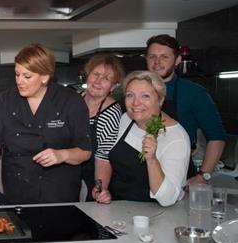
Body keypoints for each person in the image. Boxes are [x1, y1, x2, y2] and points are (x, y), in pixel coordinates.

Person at [0, 43, 92, 204]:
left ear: (45, 77)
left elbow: (84, 151)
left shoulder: (70, 101)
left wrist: (62, 155)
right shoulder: (6, 100)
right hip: (17, 190)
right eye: (17, 74)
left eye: (27, 76)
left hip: (58, 191)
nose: (20, 81)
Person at [93, 71, 190, 206]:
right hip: (117, 210)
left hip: (156, 217)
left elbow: (168, 199)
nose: (135, 103)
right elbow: (106, 158)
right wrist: (102, 189)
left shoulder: (176, 138)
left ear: (160, 100)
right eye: (130, 95)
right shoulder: (126, 119)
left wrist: (152, 160)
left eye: (145, 96)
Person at [146, 34, 226, 186]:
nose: (157, 62)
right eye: (152, 57)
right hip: (138, 172)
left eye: (164, 57)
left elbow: (216, 137)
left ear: (177, 60)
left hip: (177, 174)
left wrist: (203, 176)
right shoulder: (135, 91)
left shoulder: (194, 93)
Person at [80, 54, 124, 201]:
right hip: (68, 177)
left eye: (106, 78)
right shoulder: (74, 100)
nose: (98, 81)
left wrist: (99, 189)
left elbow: (104, 156)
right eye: (96, 74)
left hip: (94, 177)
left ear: (113, 86)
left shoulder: (111, 112)